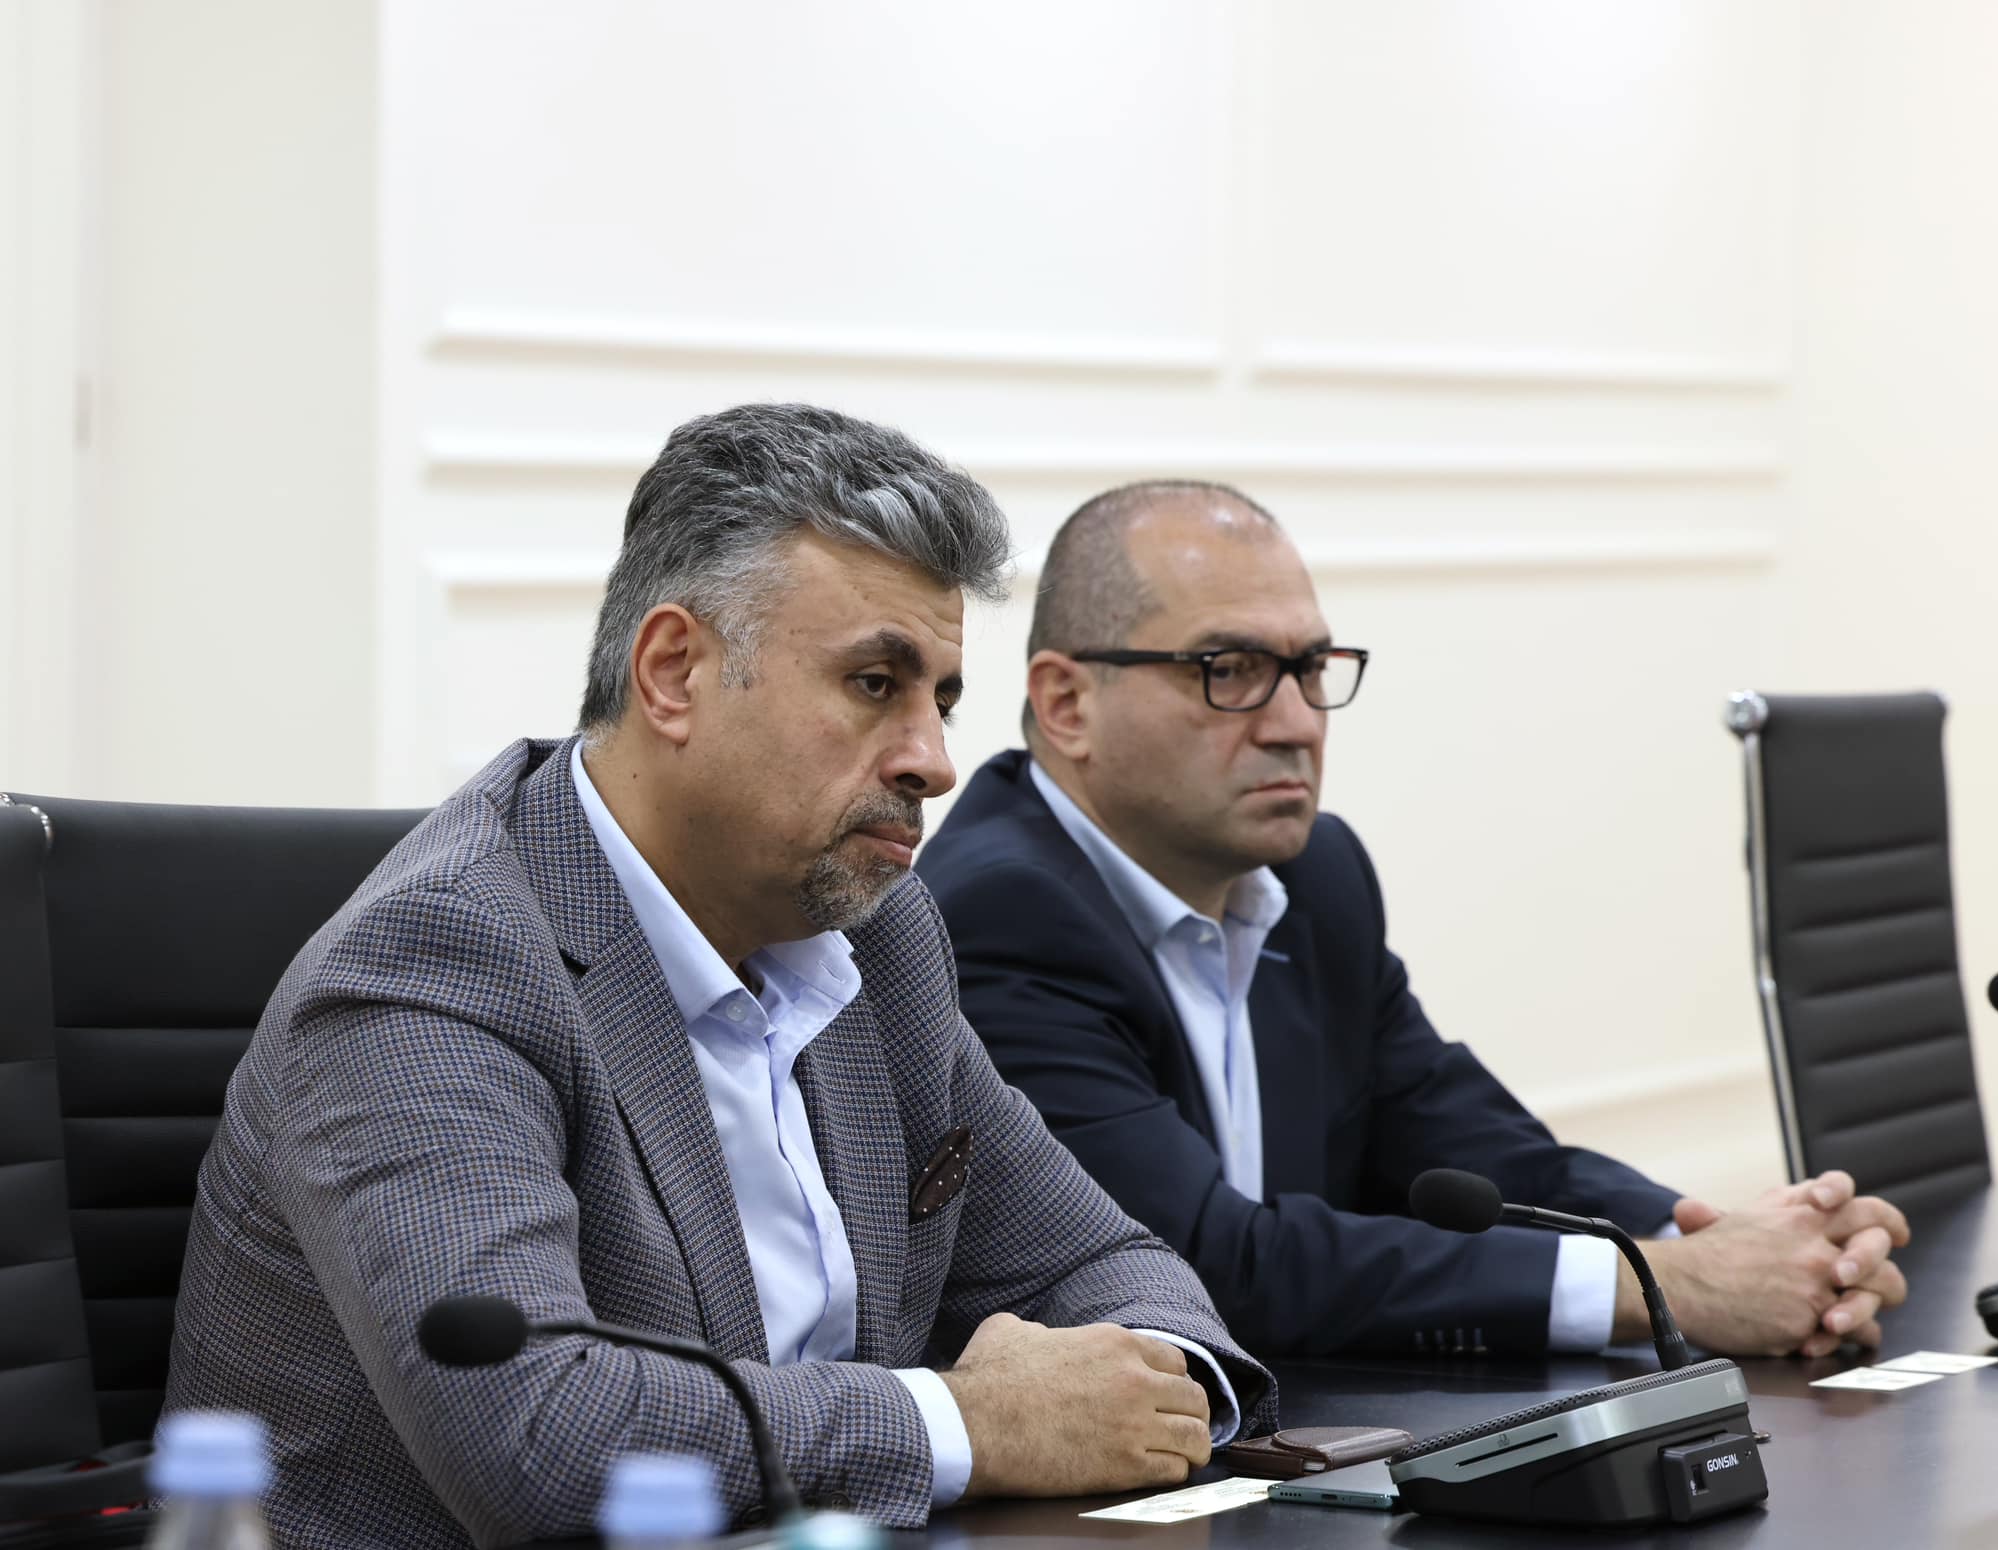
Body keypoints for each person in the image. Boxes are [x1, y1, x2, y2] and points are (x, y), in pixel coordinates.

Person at [164, 412, 1275, 1550]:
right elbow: (535, 1432)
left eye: (939, 699)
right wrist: (968, 1421)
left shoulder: (879, 935)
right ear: (673, 672)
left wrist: (1147, 1386)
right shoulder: (437, 965)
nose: (932, 760)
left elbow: (1102, 1261)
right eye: (874, 683)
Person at [919, 479, 1911, 1363]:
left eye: (1312, 667)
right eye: (1230, 668)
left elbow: (1467, 1146)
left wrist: (1724, 1243)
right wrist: (1667, 1286)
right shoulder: (1000, 913)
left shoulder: (1314, 875)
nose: (1295, 722)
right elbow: (1203, 1265)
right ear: (1066, 703)